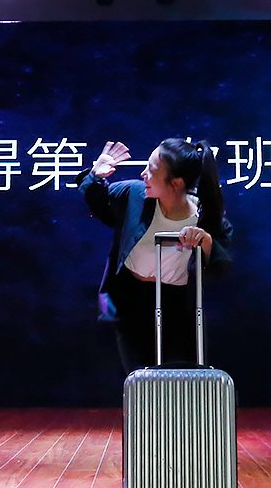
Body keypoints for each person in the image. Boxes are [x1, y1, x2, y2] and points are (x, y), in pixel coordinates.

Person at [80, 138, 233, 373]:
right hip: (130, 300)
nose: (143, 174)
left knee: (178, 379)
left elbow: (221, 266)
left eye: (151, 170)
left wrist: (206, 242)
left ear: (176, 183)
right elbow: (102, 208)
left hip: (176, 306)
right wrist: (96, 176)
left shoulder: (205, 217)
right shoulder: (134, 194)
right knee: (140, 380)